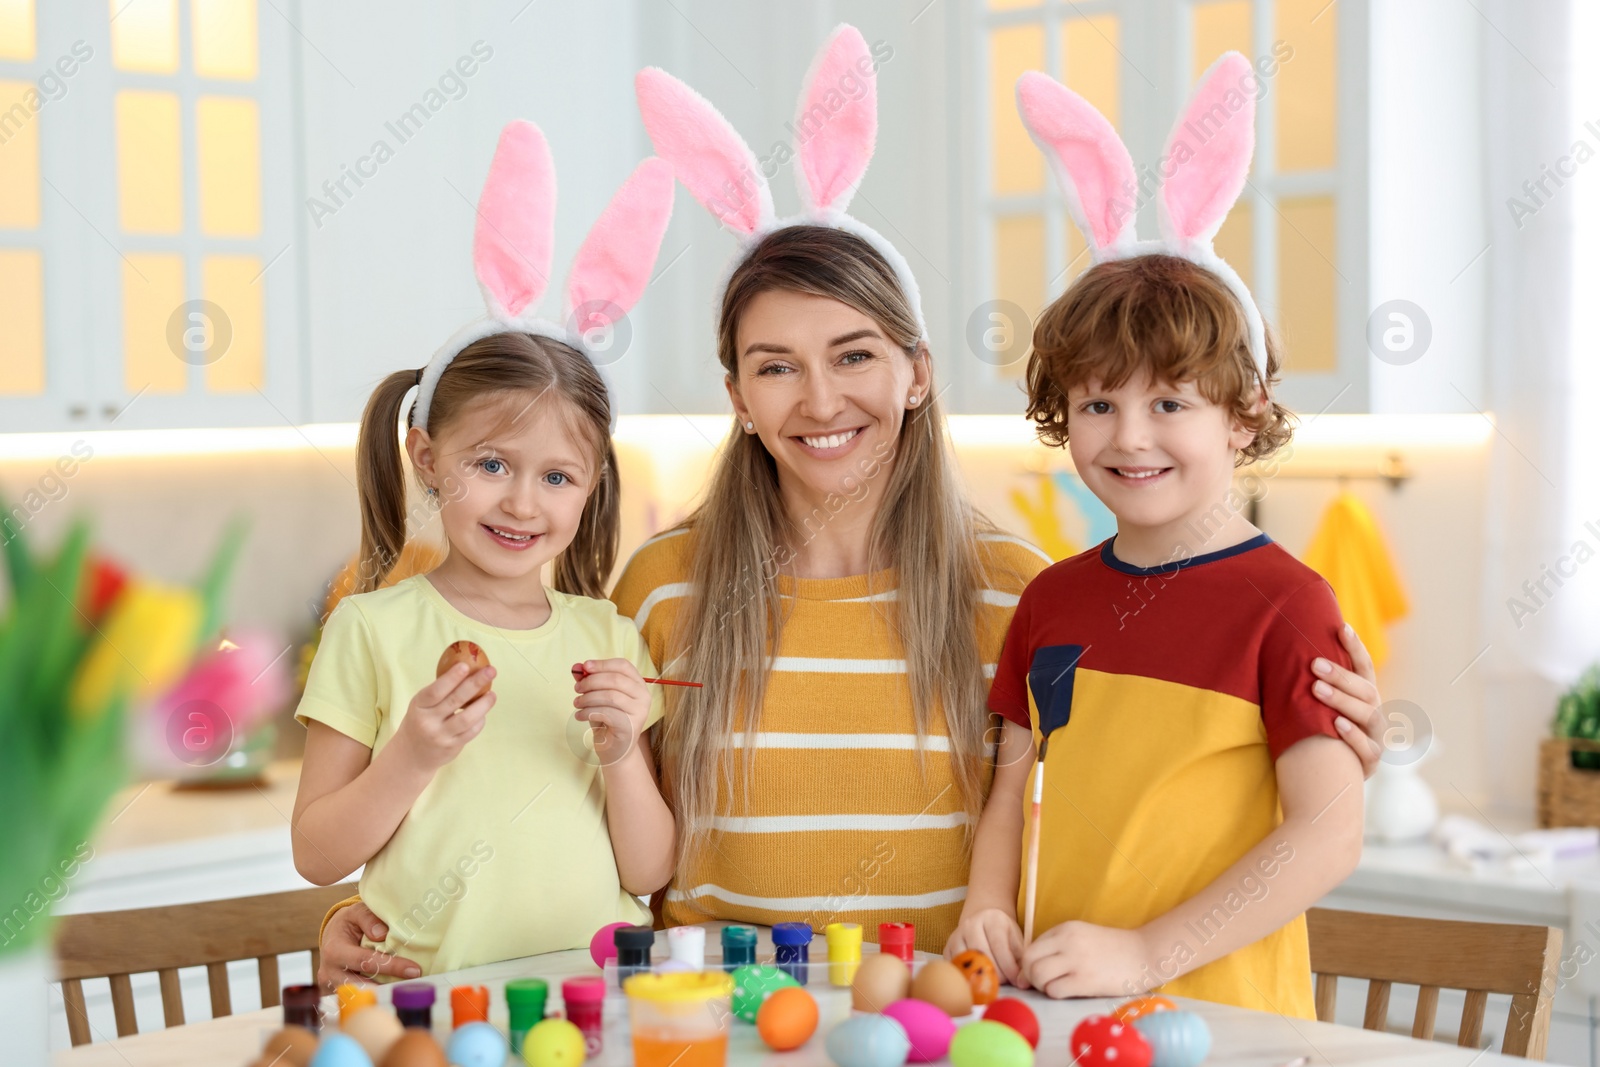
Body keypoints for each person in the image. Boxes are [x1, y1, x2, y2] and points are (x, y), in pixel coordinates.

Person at [312, 34, 1391, 991]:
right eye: (774, 366)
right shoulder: (651, 586)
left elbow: (1130, 793)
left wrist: (1341, 735)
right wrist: (372, 912)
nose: (820, 401)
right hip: (699, 1018)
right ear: (736, 394)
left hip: (933, 1015)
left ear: (917, 372)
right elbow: (547, 803)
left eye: (856, 356)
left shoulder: (1019, 588)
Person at [946, 55, 1366, 1018]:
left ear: (1244, 417)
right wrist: (982, 907)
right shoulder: (1051, 598)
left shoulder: (1289, 605)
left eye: (1170, 400)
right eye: (1097, 402)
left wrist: (1147, 952)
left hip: (1223, 1021)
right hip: (1056, 1006)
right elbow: (1010, 791)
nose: (1129, 436)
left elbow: (1328, 833)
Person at [290, 122, 679, 975]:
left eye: (557, 477)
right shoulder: (370, 628)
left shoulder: (607, 634)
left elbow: (650, 870)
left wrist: (619, 754)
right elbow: (318, 852)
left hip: (597, 1001)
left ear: (592, 488)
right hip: (430, 1002)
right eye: (491, 463)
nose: (520, 501)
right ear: (428, 458)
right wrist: (413, 754)